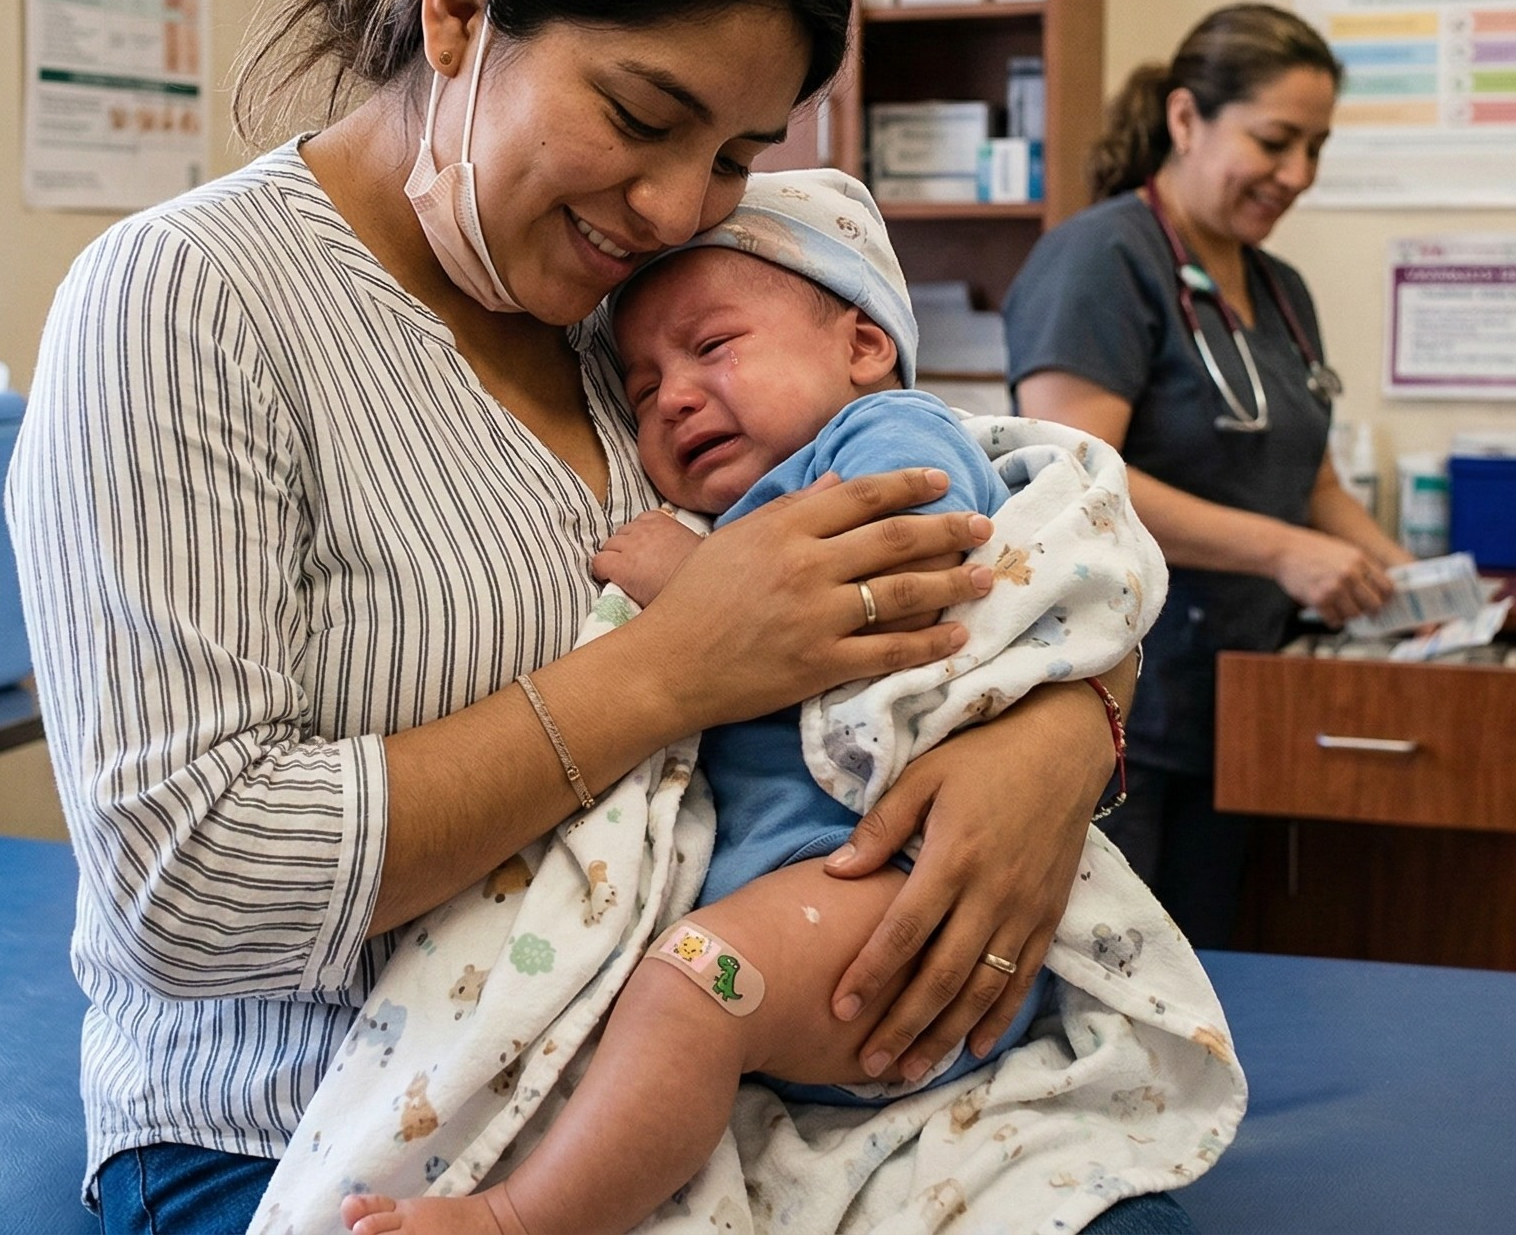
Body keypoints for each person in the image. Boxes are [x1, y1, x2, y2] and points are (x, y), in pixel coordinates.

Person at [6, 0, 1169, 1235]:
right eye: (642, 115)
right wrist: (671, 672)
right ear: (458, 11)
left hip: (705, 1110)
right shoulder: (188, 302)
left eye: (738, 156)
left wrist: (1064, 736)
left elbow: (1015, 518)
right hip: (311, 1140)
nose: (678, 206)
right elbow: (188, 886)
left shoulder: (656, 315)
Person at [343, 169, 1175, 1235]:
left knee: (687, 991)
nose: (674, 395)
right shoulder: (740, 497)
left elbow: (895, 614)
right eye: (641, 391)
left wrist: (684, 587)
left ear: (861, 348)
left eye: (712, 347)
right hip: (805, 913)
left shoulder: (887, 443)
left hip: (896, 896)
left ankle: (520, 1222)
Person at [1000, 3, 1415, 949]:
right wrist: (1284, 554)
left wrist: (1409, 582)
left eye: (1315, 147)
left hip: (1246, 704)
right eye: (1275, 141)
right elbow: (1074, 476)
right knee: (1120, 978)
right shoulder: (1101, 259)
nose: (1298, 175)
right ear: (1186, 120)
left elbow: (1311, 486)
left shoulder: (1278, 290)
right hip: (1120, 698)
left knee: (1218, 970)